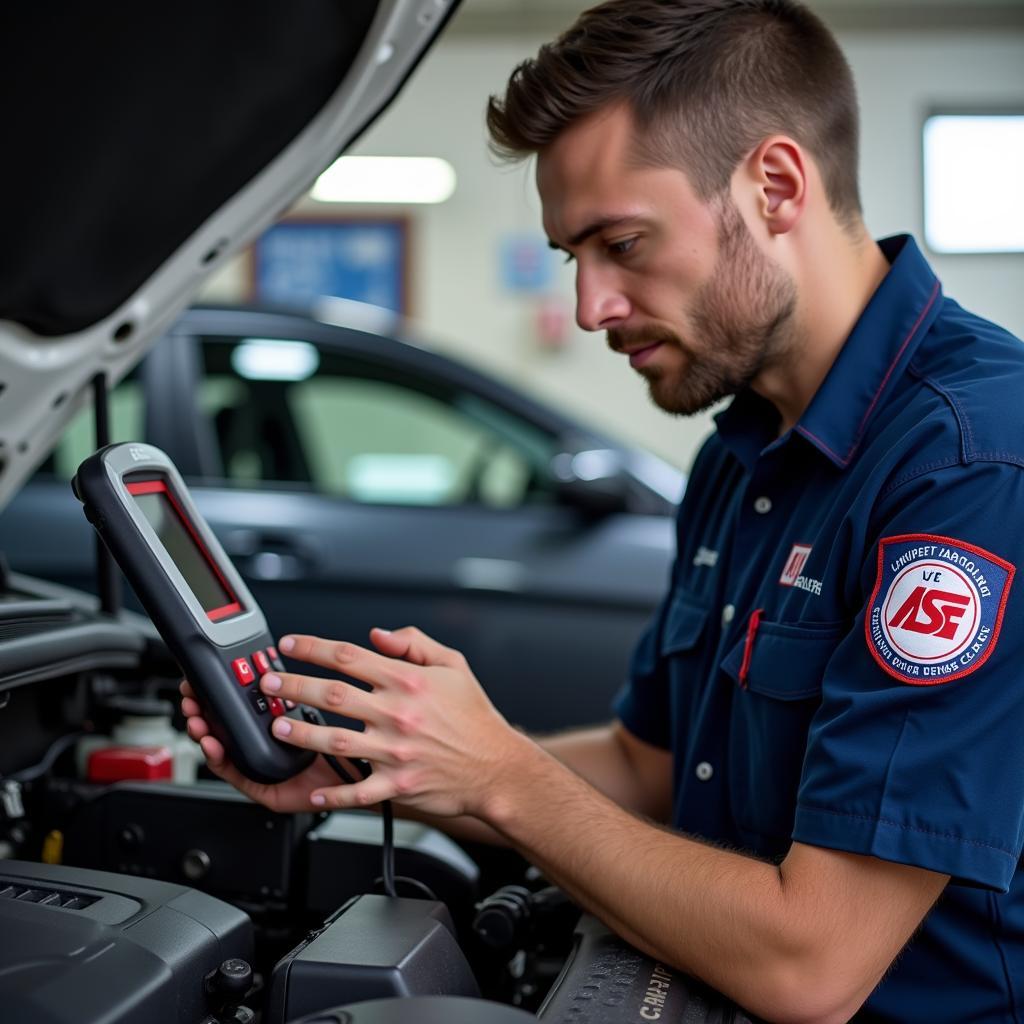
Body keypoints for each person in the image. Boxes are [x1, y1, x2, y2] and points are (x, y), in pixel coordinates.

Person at [181, 1, 1024, 1019]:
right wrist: (393, 764)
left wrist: (502, 777)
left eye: (621, 242)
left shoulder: (972, 464)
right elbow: (650, 767)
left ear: (775, 186)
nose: (589, 306)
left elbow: (815, 962)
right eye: (571, 256)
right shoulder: (742, 453)